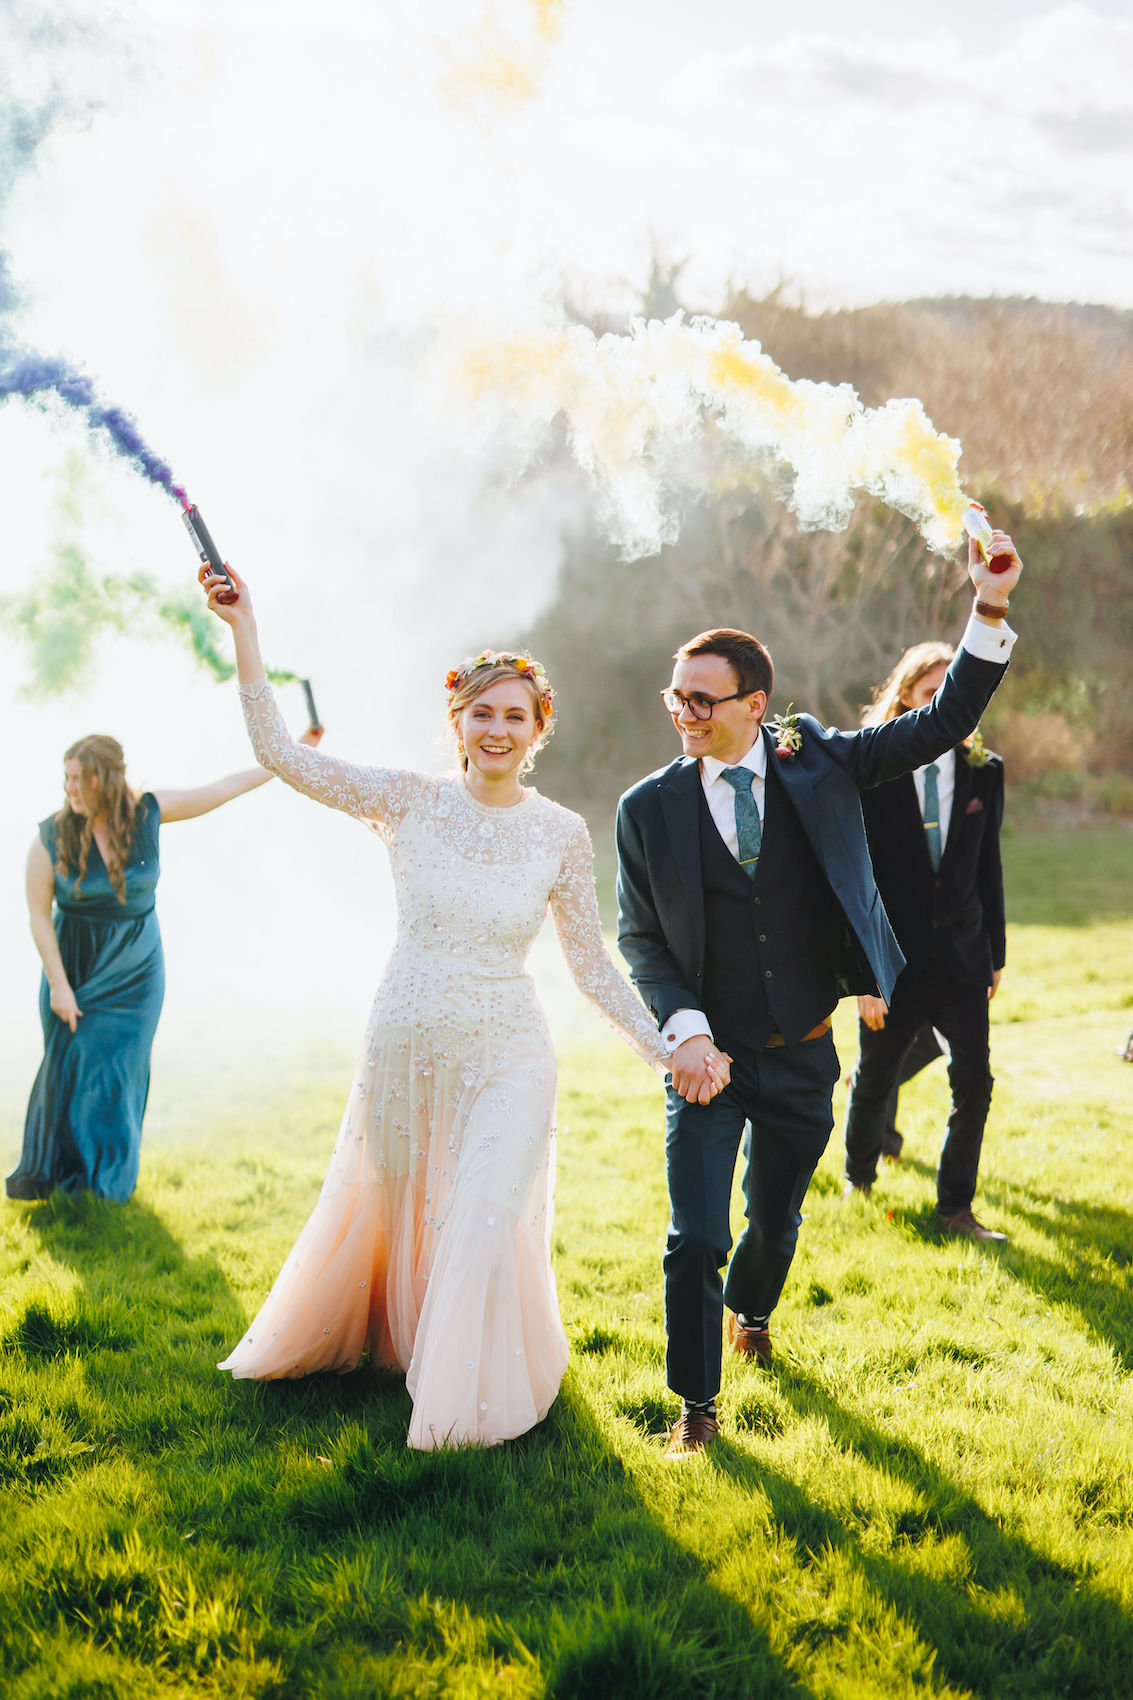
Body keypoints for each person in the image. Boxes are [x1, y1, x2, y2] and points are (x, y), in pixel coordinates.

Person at [201, 562, 720, 1451]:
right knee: (406, 1207)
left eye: (514, 715)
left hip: (510, 1050)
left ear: (537, 730)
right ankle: (401, 1349)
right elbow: (281, 756)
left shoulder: (559, 830)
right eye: (481, 711)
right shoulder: (406, 802)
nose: (496, 728)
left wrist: (661, 1048)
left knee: (482, 1212)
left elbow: (590, 962)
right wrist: (246, 632)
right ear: (457, 723)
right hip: (407, 1035)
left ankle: (455, 1419)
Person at [615, 525, 1022, 1456]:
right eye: (673, 696)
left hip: (801, 1047)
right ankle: (695, 1407)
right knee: (693, 1238)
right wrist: (683, 1034)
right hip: (705, 1059)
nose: (682, 712)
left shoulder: (819, 760)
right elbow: (641, 937)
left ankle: (752, 1310)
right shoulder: (648, 808)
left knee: (775, 1218)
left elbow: (940, 722)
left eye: (701, 699)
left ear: (754, 704)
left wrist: (987, 608)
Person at [7, 731, 319, 1204]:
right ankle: (67, 1177)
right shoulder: (50, 836)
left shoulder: (147, 812)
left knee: (119, 1075)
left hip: (137, 970)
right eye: (65, 778)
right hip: (74, 966)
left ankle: (106, 1187)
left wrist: (289, 754)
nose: (68, 787)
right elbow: (36, 914)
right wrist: (58, 986)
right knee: (74, 1066)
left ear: (102, 779)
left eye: (77, 778)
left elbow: (223, 788)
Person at [841, 642, 1007, 1239]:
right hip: (892, 963)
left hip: (964, 958)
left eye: (952, 691)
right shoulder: (872, 771)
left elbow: (989, 868)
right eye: (931, 691)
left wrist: (996, 956)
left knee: (975, 1084)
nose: (944, 702)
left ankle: (955, 1209)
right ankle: (857, 1179)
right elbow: (854, 878)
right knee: (875, 1077)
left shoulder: (986, 769)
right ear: (906, 696)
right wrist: (862, 976)